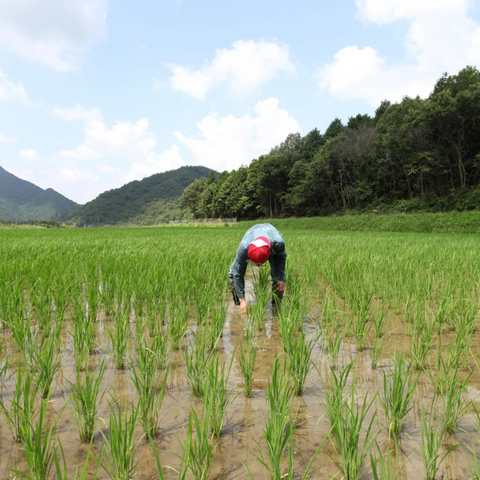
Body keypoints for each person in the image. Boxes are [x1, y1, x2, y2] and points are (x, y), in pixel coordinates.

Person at [228, 223, 287, 313]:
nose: (258, 266)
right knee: (233, 275)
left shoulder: (278, 243)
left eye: (260, 264)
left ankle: (276, 308)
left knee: (279, 279)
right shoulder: (244, 247)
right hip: (251, 233)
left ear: (268, 255)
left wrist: (280, 277)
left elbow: (281, 259)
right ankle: (239, 306)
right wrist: (242, 299)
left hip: (270, 236)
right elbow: (237, 273)